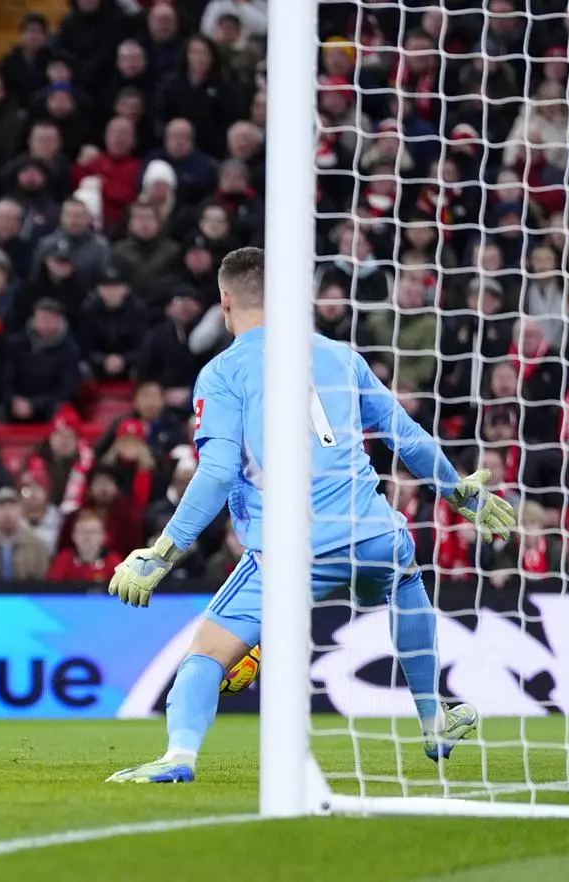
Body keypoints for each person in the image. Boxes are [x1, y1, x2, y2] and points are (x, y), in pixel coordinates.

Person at [104, 247, 516, 785]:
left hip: (289, 548)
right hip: (372, 532)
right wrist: (460, 493)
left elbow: (218, 470)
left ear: (224, 301)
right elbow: (405, 435)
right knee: (404, 577)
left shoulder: (222, 372)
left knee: (205, 654)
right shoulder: (341, 355)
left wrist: (162, 553)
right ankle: (432, 715)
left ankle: (179, 756)